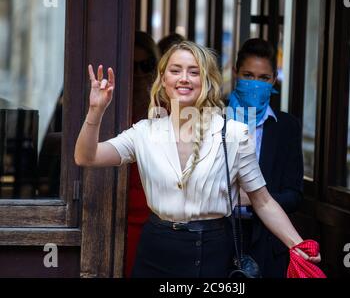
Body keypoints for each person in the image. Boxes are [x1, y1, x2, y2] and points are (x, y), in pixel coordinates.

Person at [74, 40, 319, 278]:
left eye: (194, 72)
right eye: (175, 70)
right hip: (155, 251)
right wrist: (96, 111)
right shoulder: (143, 132)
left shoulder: (233, 134)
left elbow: (263, 201)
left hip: (212, 253)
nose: (184, 78)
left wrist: (298, 245)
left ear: (207, 81)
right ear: (163, 80)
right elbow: (87, 156)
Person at [227, 38, 304, 278]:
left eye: (263, 78)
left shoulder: (286, 127)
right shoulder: (214, 120)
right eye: (248, 76)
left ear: (273, 80)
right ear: (235, 74)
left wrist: (254, 198)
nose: (255, 84)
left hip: (267, 244)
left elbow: (294, 195)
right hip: (220, 238)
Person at [124, 31, 160, 277]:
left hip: (154, 219)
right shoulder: (113, 108)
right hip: (116, 214)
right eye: (131, 66)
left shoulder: (166, 110)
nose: (138, 73)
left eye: (145, 65)